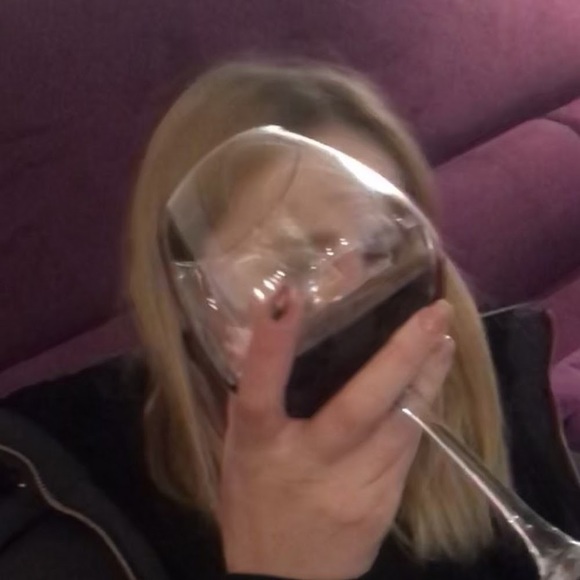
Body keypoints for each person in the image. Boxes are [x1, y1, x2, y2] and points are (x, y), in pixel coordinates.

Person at [0, 61, 578, 580]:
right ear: (194, 309)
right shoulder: (77, 514)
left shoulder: (483, 368)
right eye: (296, 267)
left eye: (380, 247)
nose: (356, 289)